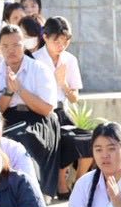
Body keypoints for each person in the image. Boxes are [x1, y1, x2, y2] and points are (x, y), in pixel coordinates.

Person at [0, 22, 60, 196]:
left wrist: (20, 89)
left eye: (16, 45)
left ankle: (32, 189)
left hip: (37, 117)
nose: (10, 50)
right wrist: (8, 92)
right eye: (5, 46)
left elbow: (46, 109)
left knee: (23, 138)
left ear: (24, 45)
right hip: (5, 117)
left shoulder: (39, 69)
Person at [36, 15, 93, 197]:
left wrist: (63, 83)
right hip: (41, 112)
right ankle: (61, 183)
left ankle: (79, 182)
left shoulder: (70, 60)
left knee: (89, 140)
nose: (61, 45)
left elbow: (74, 98)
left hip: (62, 112)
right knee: (61, 140)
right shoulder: (35, 59)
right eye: (57, 41)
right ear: (45, 37)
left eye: (65, 41)